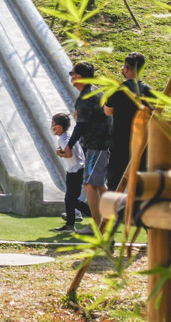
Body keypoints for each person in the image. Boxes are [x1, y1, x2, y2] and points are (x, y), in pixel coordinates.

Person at [63, 61, 110, 234]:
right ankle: (106, 221)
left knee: (90, 185)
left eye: (72, 73)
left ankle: (99, 224)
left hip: (97, 145)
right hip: (100, 145)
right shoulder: (95, 92)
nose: (70, 77)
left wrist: (69, 145)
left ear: (78, 77)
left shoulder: (86, 97)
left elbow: (81, 126)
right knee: (97, 185)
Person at [105, 52, 154, 192]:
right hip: (142, 143)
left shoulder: (117, 90)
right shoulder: (149, 91)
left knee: (115, 181)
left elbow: (108, 111)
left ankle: (113, 211)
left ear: (126, 68)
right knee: (141, 181)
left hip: (119, 142)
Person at [51, 112, 92, 233]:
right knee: (69, 199)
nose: (51, 126)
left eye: (52, 123)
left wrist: (60, 153)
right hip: (77, 169)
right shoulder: (68, 137)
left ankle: (95, 215)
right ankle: (70, 225)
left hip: (74, 171)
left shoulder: (63, 139)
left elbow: (68, 153)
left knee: (72, 199)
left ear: (58, 126)